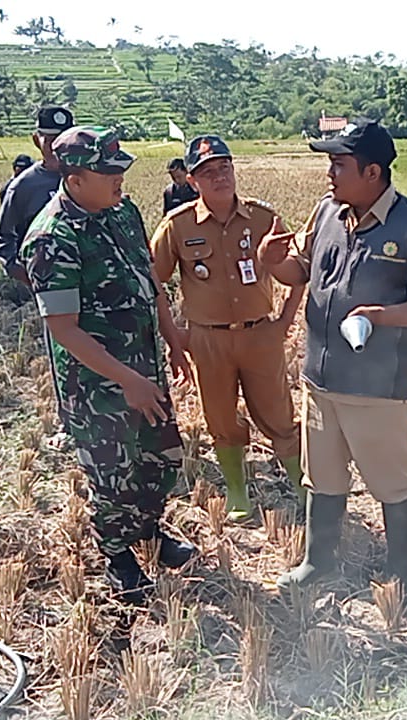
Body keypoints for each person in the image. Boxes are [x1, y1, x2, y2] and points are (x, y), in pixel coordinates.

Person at [258, 119, 407, 590]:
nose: (330, 173)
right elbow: (300, 270)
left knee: (391, 481)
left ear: (372, 172)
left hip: (378, 385)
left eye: (339, 164)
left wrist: (381, 316)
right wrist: (271, 262)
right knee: (321, 477)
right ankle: (318, 561)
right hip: (321, 378)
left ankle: (400, 571)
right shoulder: (327, 211)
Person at [21, 126, 195, 604]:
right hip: (96, 383)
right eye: (107, 172)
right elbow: (64, 327)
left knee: (159, 459)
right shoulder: (50, 237)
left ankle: (149, 533)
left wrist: (172, 334)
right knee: (112, 473)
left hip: (143, 364)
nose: (119, 178)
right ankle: (117, 554)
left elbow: (147, 277)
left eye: (120, 169)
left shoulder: (123, 211)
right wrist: (127, 381)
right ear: (75, 179)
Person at [150, 136, 304, 522]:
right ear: (192, 180)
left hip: (260, 334)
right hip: (208, 339)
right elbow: (153, 283)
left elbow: (297, 267)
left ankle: (302, 484)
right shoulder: (177, 226)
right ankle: (237, 489)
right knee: (219, 417)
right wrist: (175, 337)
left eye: (224, 168)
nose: (219, 177)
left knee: (279, 414)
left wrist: (286, 319)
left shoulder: (263, 218)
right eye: (207, 173)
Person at [0, 105, 74, 285]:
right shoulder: (23, 186)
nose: (56, 147)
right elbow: (4, 233)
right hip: (43, 282)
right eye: (50, 140)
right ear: (36, 140)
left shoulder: (88, 176)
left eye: (63, 140)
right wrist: (17, 270)